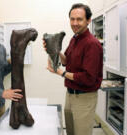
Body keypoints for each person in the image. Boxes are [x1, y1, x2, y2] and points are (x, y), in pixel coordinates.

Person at [43, 3, 103, 135]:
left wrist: (61, 73)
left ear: (88, 20)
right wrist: (55, 50)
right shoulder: (74, 39)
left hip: (84, 98)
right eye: (72, 19)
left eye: (79, 19)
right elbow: (67, 61)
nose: (75, 23)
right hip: (70, 95)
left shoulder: (92, 44)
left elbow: (88, 78)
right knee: (70, 132)